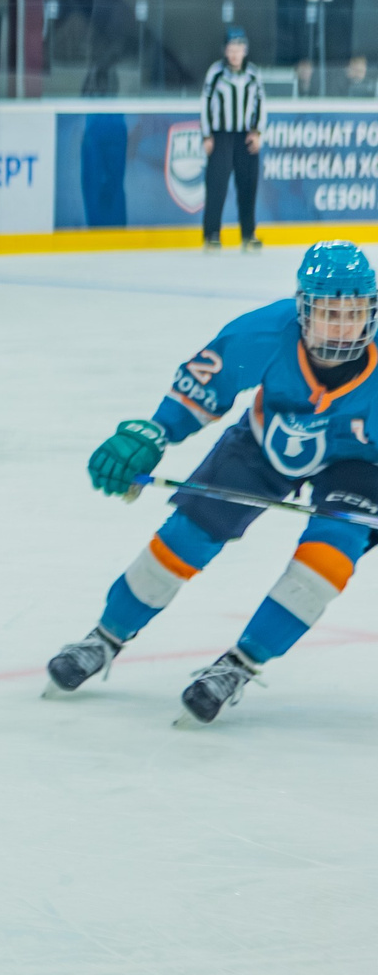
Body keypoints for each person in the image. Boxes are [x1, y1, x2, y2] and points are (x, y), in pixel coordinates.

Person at [44, 242, 378, 727]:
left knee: (327, 557)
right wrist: (156, 431)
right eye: (329, 313)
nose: (344, 328)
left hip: (361, 464)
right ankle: (105, 637)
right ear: (303, 311)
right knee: (188, 535)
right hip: (267, 442)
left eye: (355, 314)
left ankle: (239, 666)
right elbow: (202, 389)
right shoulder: (265, 331)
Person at [200, 28, 266, 250]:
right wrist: (207, 135)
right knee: (216, 185)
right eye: (231, 49)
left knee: (248, 185)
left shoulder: (253, 74)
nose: (235, 53)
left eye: (239, 49)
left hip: (245, 137)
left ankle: (248, 234)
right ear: (225, 51)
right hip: (221, 136)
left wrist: (257, 132)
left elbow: (261, 105)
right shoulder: (216, 73)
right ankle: (212, 234)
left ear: (245, 50)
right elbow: (205, 105)